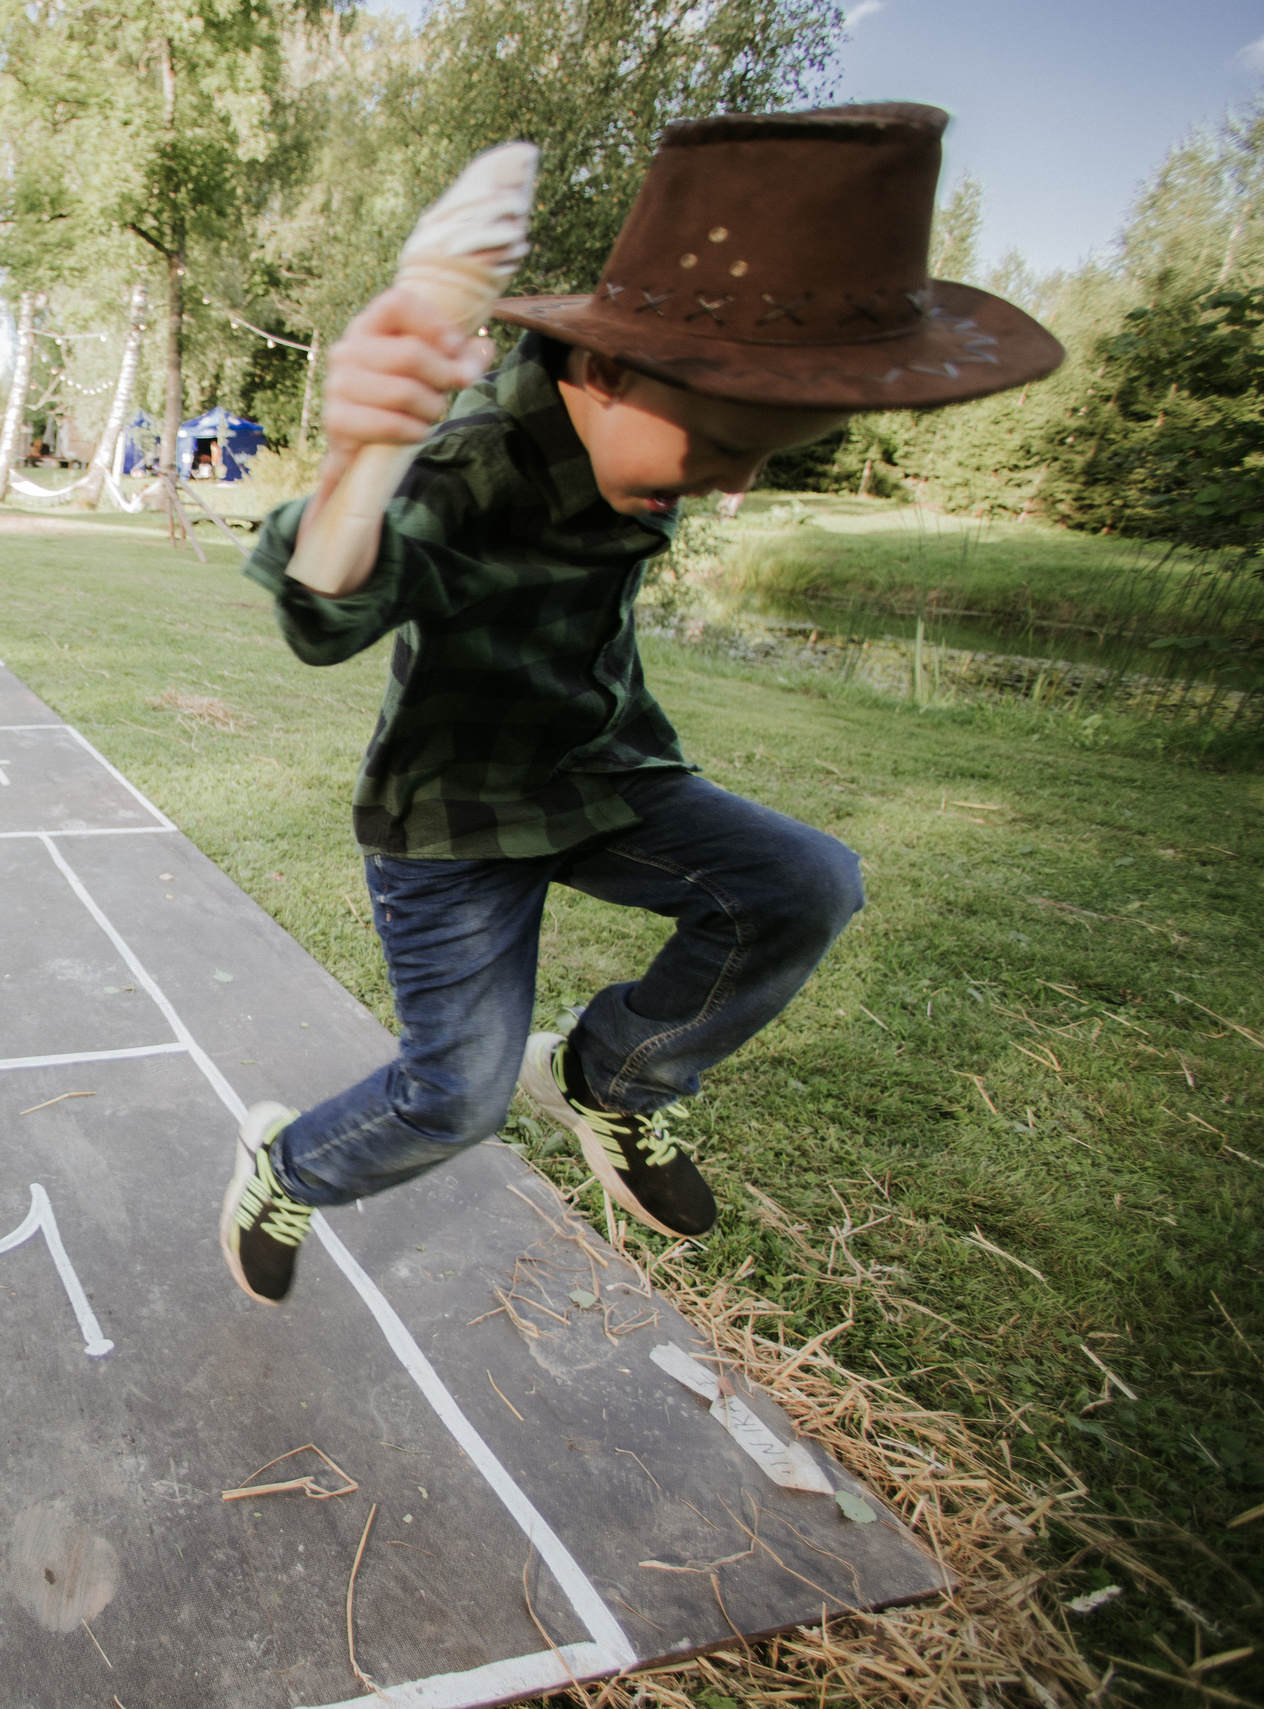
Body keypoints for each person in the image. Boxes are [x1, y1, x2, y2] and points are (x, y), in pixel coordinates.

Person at [217, 104, 1065, 1306]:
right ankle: (286, 1164)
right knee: (454, 1100)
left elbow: (677, 477)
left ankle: (614, 1075)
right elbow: (326, 618)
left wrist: (708, 441)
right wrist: (358, 464)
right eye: (720, 445)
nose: (732, 485)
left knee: (807, 882)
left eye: (771, 455)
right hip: (455, 823)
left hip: (609, 774)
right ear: (603, 371)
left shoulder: (645, 428)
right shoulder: (472, 466)